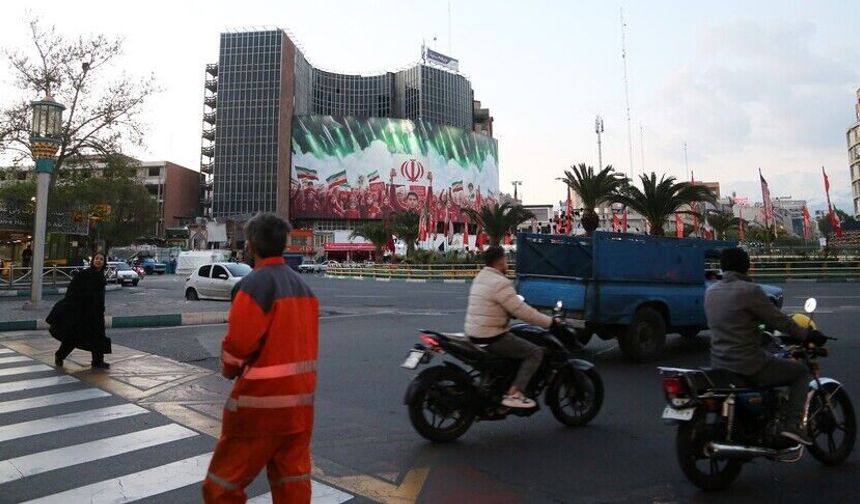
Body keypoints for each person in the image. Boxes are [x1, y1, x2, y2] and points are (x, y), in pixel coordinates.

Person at [203, 213, 319, 503]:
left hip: (259, 408)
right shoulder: (305, 289)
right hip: (299, 408)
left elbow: (237, 347)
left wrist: (228, 368)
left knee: (221, 487)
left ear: (250, 246)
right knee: (292, 485)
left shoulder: (253, 286)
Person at [705, 247, 818, 446]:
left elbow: (734, 323)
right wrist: (806, 334)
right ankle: (793, 426)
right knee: (800, 372)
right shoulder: (750, 291)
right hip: (748, 364)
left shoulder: (711, 291)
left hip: (719, 363)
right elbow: (779, 320)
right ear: (746, 266)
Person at [464, 246, 556, 409]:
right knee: (535, 352)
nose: (507, 263)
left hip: (473, 334)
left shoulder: (481, 277)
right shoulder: (500, 282)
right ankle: (515, 393)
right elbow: (521, 311)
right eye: (506, 259)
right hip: (491, 336)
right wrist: (549, 322)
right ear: (500, 261)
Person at [48, 251, 111, 369]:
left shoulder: (101, 276)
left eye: (101, 259)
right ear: (93, 261)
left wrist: (100, 309)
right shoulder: (85, 274)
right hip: (81, 312)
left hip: (96, 313)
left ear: (104, 263)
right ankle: (60, 355)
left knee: (98, 336)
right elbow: (72, 289)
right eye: (97, 258)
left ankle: (97, 361)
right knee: (74, 337)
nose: (98, 261)